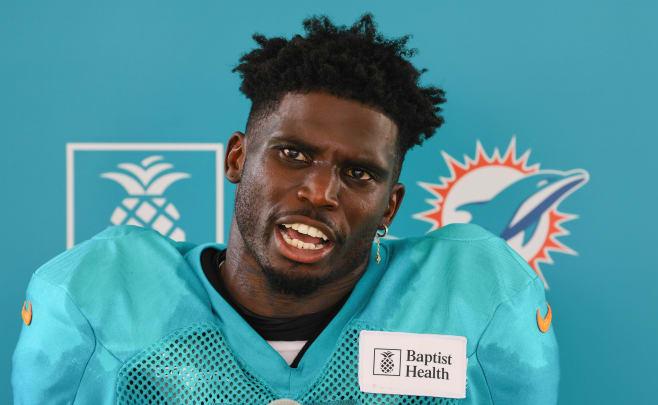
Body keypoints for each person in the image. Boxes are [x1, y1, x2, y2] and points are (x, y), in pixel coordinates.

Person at [12, 14, 559, 404]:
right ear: (236, 158)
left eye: (358, 173)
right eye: (293, 155)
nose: (321, 192)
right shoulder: (104, 295)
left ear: (389, 207)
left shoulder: (473, 299)